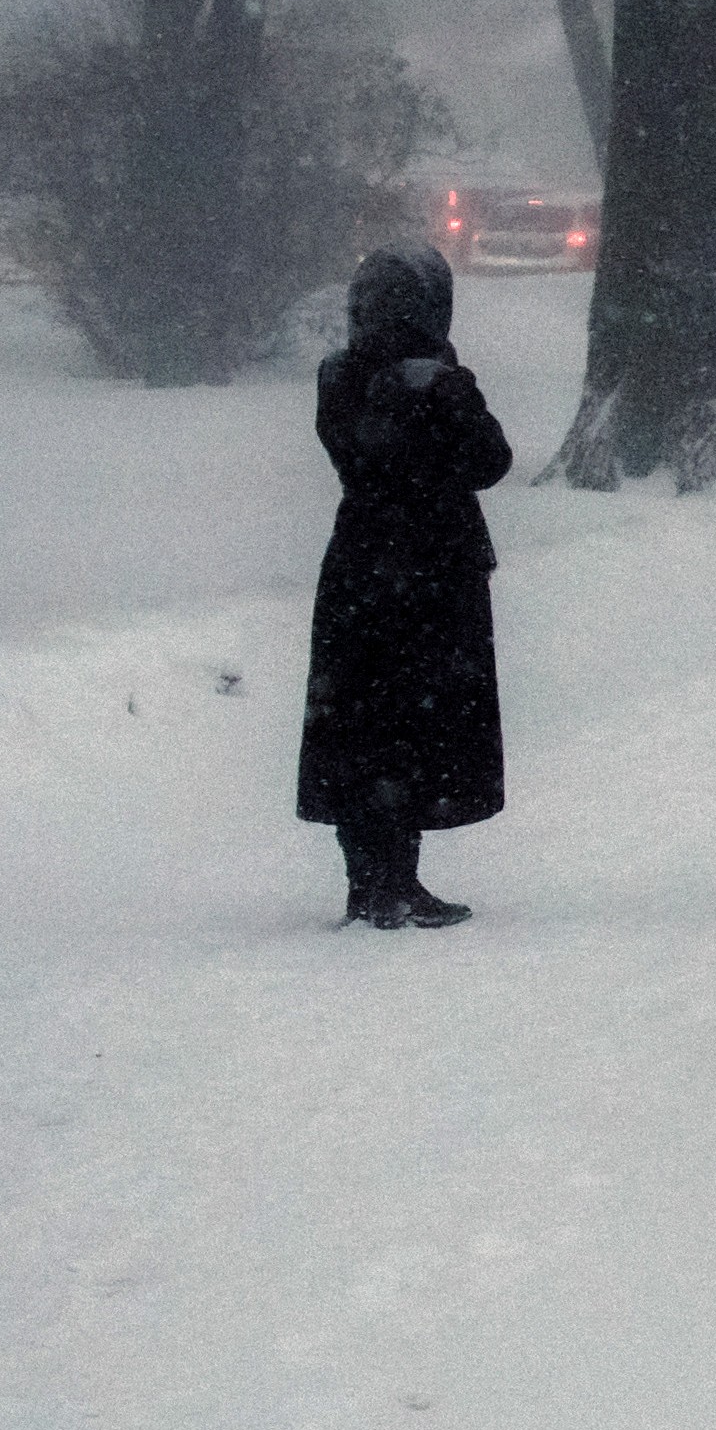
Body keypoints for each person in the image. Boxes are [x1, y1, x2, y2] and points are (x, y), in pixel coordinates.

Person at [297, 243, 509, 927]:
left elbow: (358, 453)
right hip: (431, 572)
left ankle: (373, 883)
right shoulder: (432, 383)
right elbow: (488, 460)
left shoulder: (339, 376)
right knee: (417, 724)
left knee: (362, 724)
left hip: (360, 566)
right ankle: (397, 880)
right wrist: (450, 390)